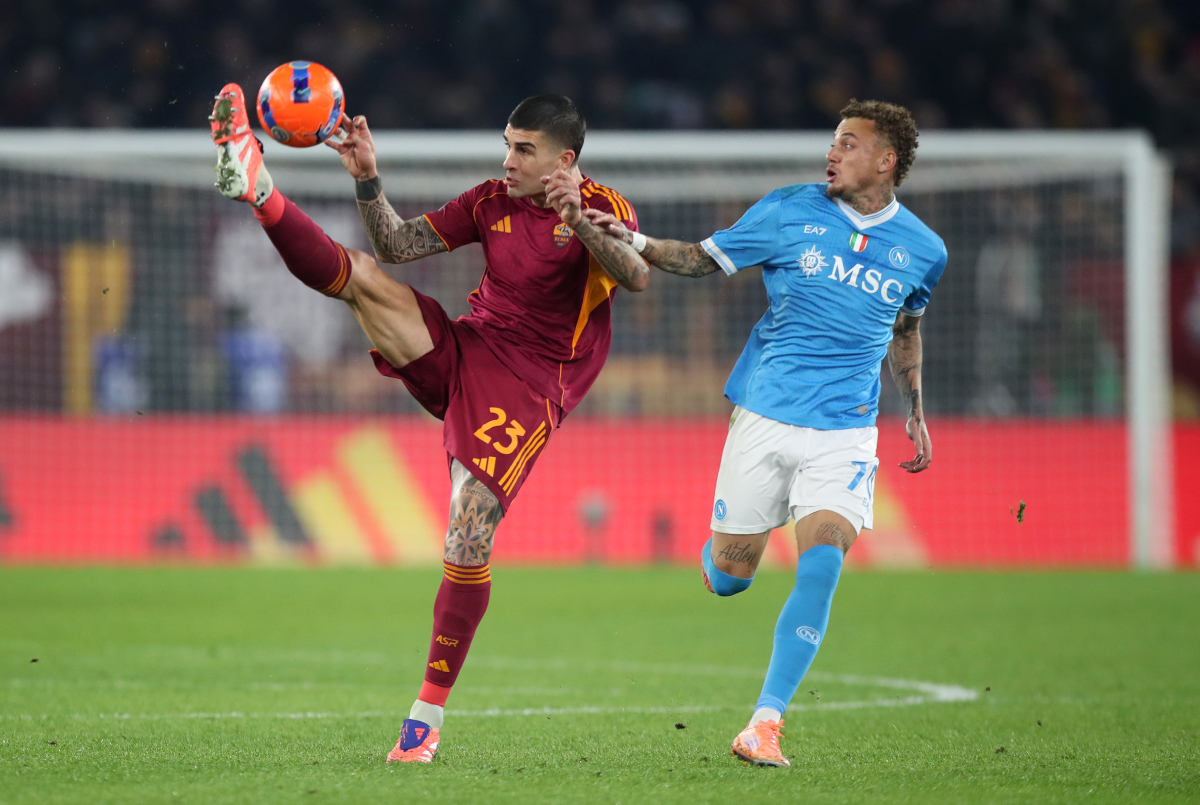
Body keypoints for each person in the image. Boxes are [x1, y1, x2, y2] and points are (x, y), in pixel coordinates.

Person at [209, 87, 648, 763]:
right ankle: (259, 187)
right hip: (465, 348)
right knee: (362, 274)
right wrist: (366, 175)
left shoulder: (603, 207)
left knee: (468, 533)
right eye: (506, 144)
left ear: (564, 159)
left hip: (530, 387)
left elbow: (636, 273)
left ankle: (424, 718)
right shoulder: (489, 201)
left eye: (523, 150)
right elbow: (396, 242)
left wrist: (579, 219)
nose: (508, 160)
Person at [585, 99, 946, 768]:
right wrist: (633, 241)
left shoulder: (925, 251)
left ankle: (765, 723)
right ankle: (721, 553)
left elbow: (907, 327)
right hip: (765, 414)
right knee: (731, 578)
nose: (832, 152)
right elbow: (699, 259)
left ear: (886, 159)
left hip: (844, 433)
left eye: (849, 142)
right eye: (833, 140)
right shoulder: (787, 210)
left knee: (824, 560)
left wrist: (915, 408)